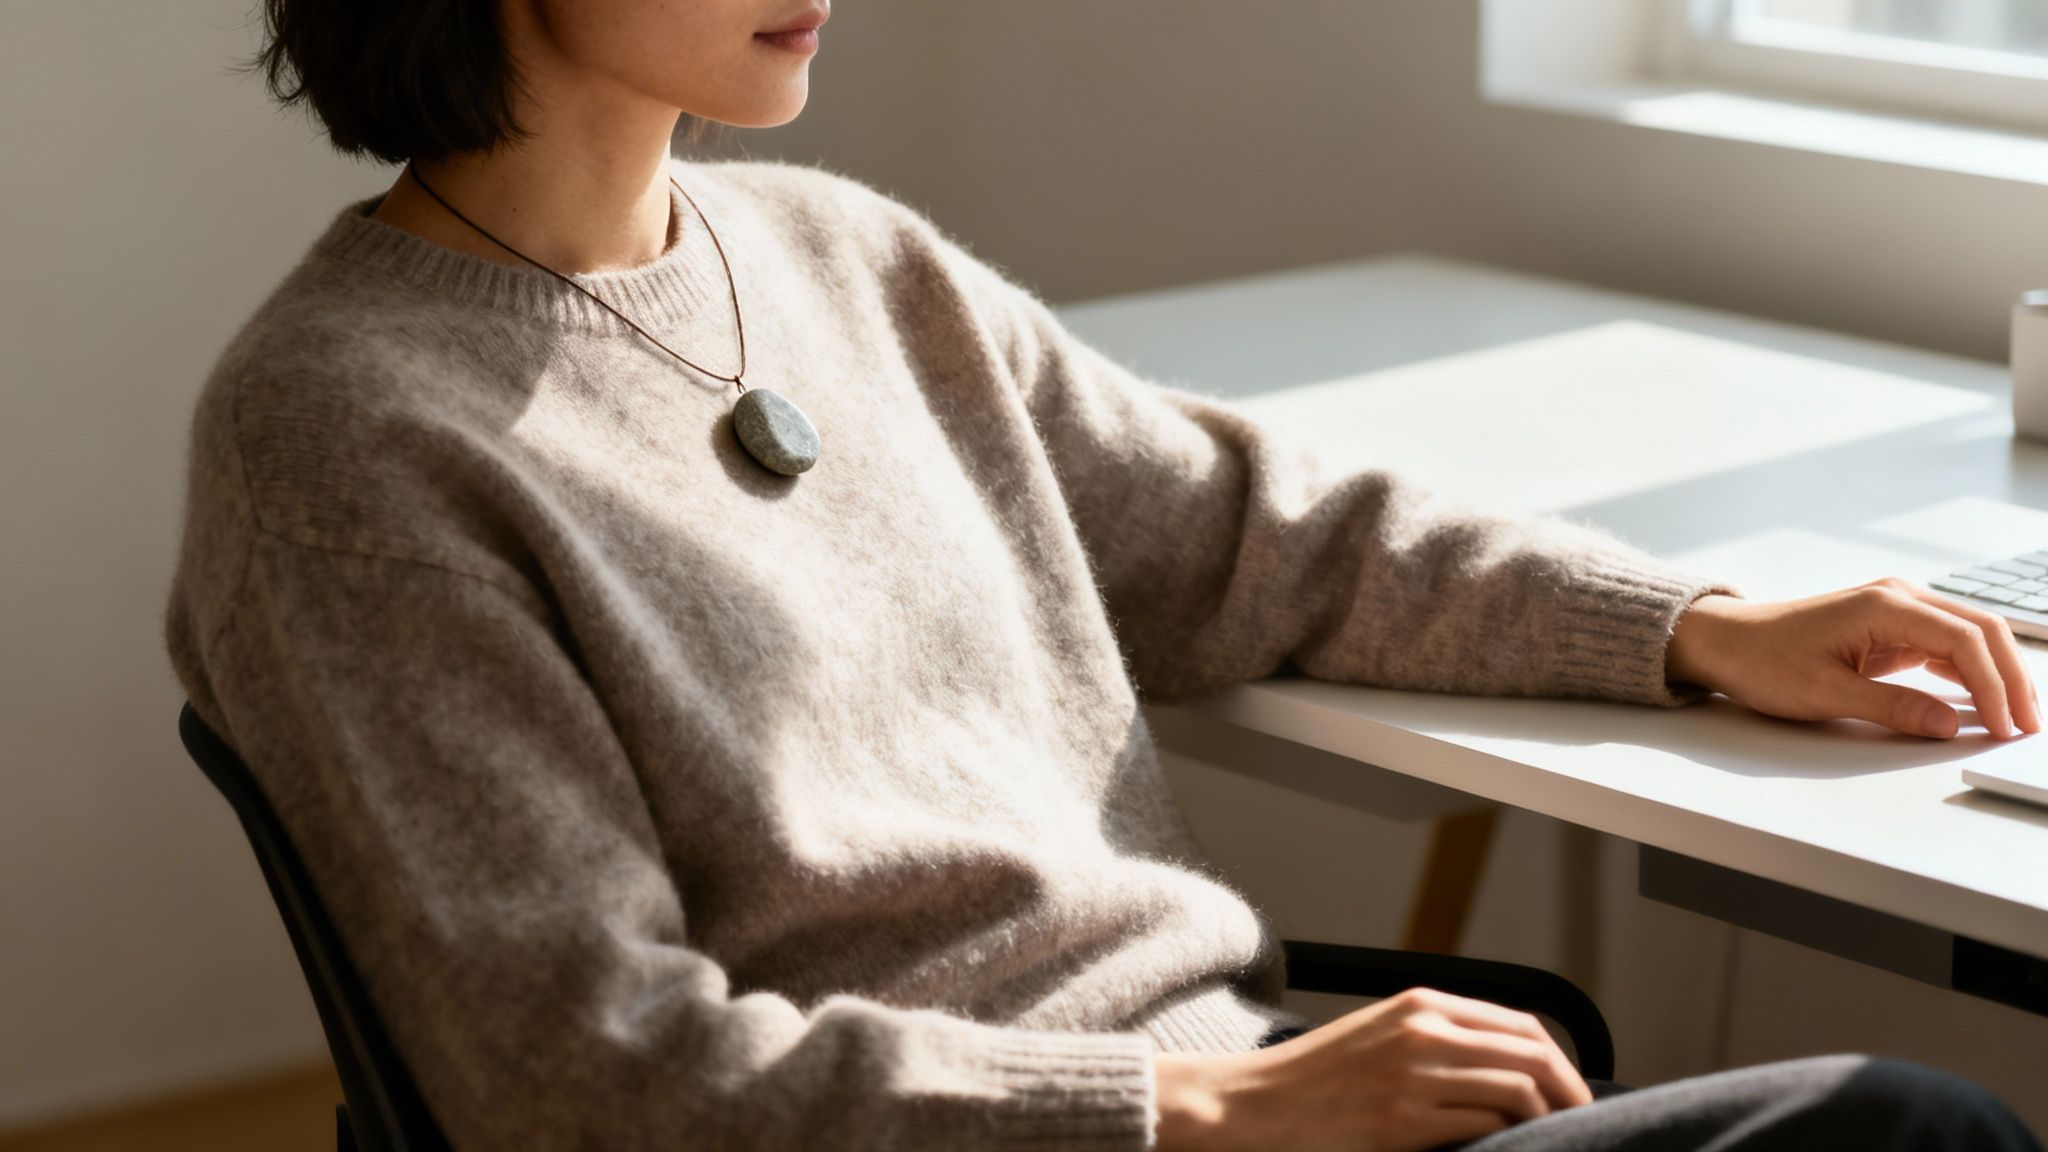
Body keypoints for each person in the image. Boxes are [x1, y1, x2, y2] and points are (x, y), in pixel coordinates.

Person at [160, 1, 2044, 1149]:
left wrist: (1687, 629)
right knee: (1903, 1131)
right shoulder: (350, 434)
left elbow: (1251, 530)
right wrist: (1195, 1111)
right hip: (1126, 1132)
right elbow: (583, 1084)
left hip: (1219, 1093)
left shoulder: (838, 258)